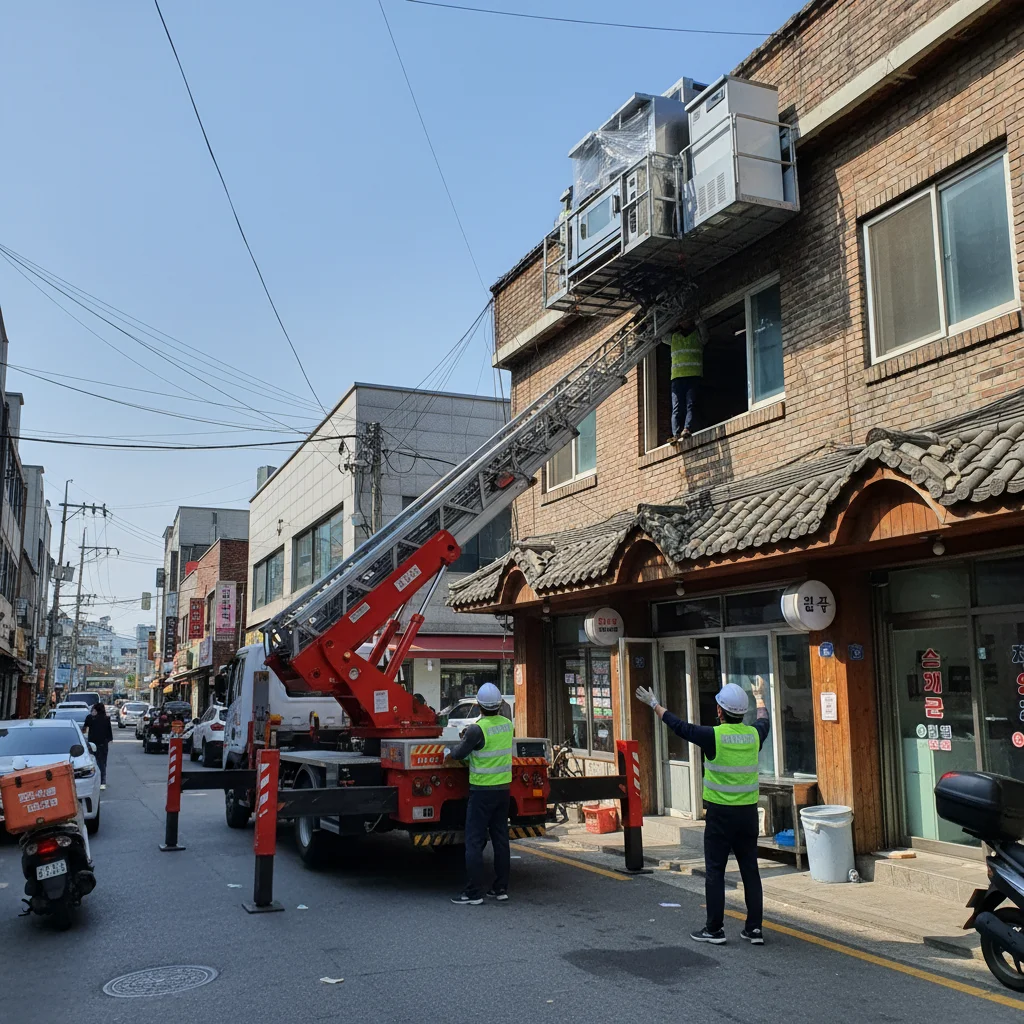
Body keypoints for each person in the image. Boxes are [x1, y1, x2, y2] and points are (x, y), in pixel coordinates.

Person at [636, 677, 770, 945]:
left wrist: (654, 705)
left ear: (720, 711)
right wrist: (760, 697)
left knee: (715, 872)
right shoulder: (754, 735)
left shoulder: (713, 736)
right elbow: (764, 720)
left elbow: (680, 727)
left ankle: (714, 929)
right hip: (747, 814)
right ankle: (754, 929)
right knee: (750, 871)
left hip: (721, 816)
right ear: (741, 713)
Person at [444, 682, 513, 905]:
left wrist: (449, 751)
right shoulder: (507, 724)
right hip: (503, 791)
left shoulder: (476, 729)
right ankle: (500, 888)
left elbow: (458, 753)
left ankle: (474, 892)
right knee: (501, 839)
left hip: (482, 791)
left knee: (474, 841)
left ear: (479, 705)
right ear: (500, 704)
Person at [662, 316, 709, 441]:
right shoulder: (674, 337)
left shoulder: (697, 336)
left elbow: (705, 335)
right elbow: (661, 335)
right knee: (677, 407)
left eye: (686, 318)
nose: (684, 321)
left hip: (693, 377)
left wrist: (699, 319)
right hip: (677, 378)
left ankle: (686, 429)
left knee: (690, 405)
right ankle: (675, 434)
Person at [82, 702, 113, 789]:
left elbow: (84, 729)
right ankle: (102, 781)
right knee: (102, 762)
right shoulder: (106, 718)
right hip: (103, 744)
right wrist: (108, 740)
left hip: (92, 744)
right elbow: (109, 733)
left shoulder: (90, 718)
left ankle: (94, 780)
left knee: (92, 762)